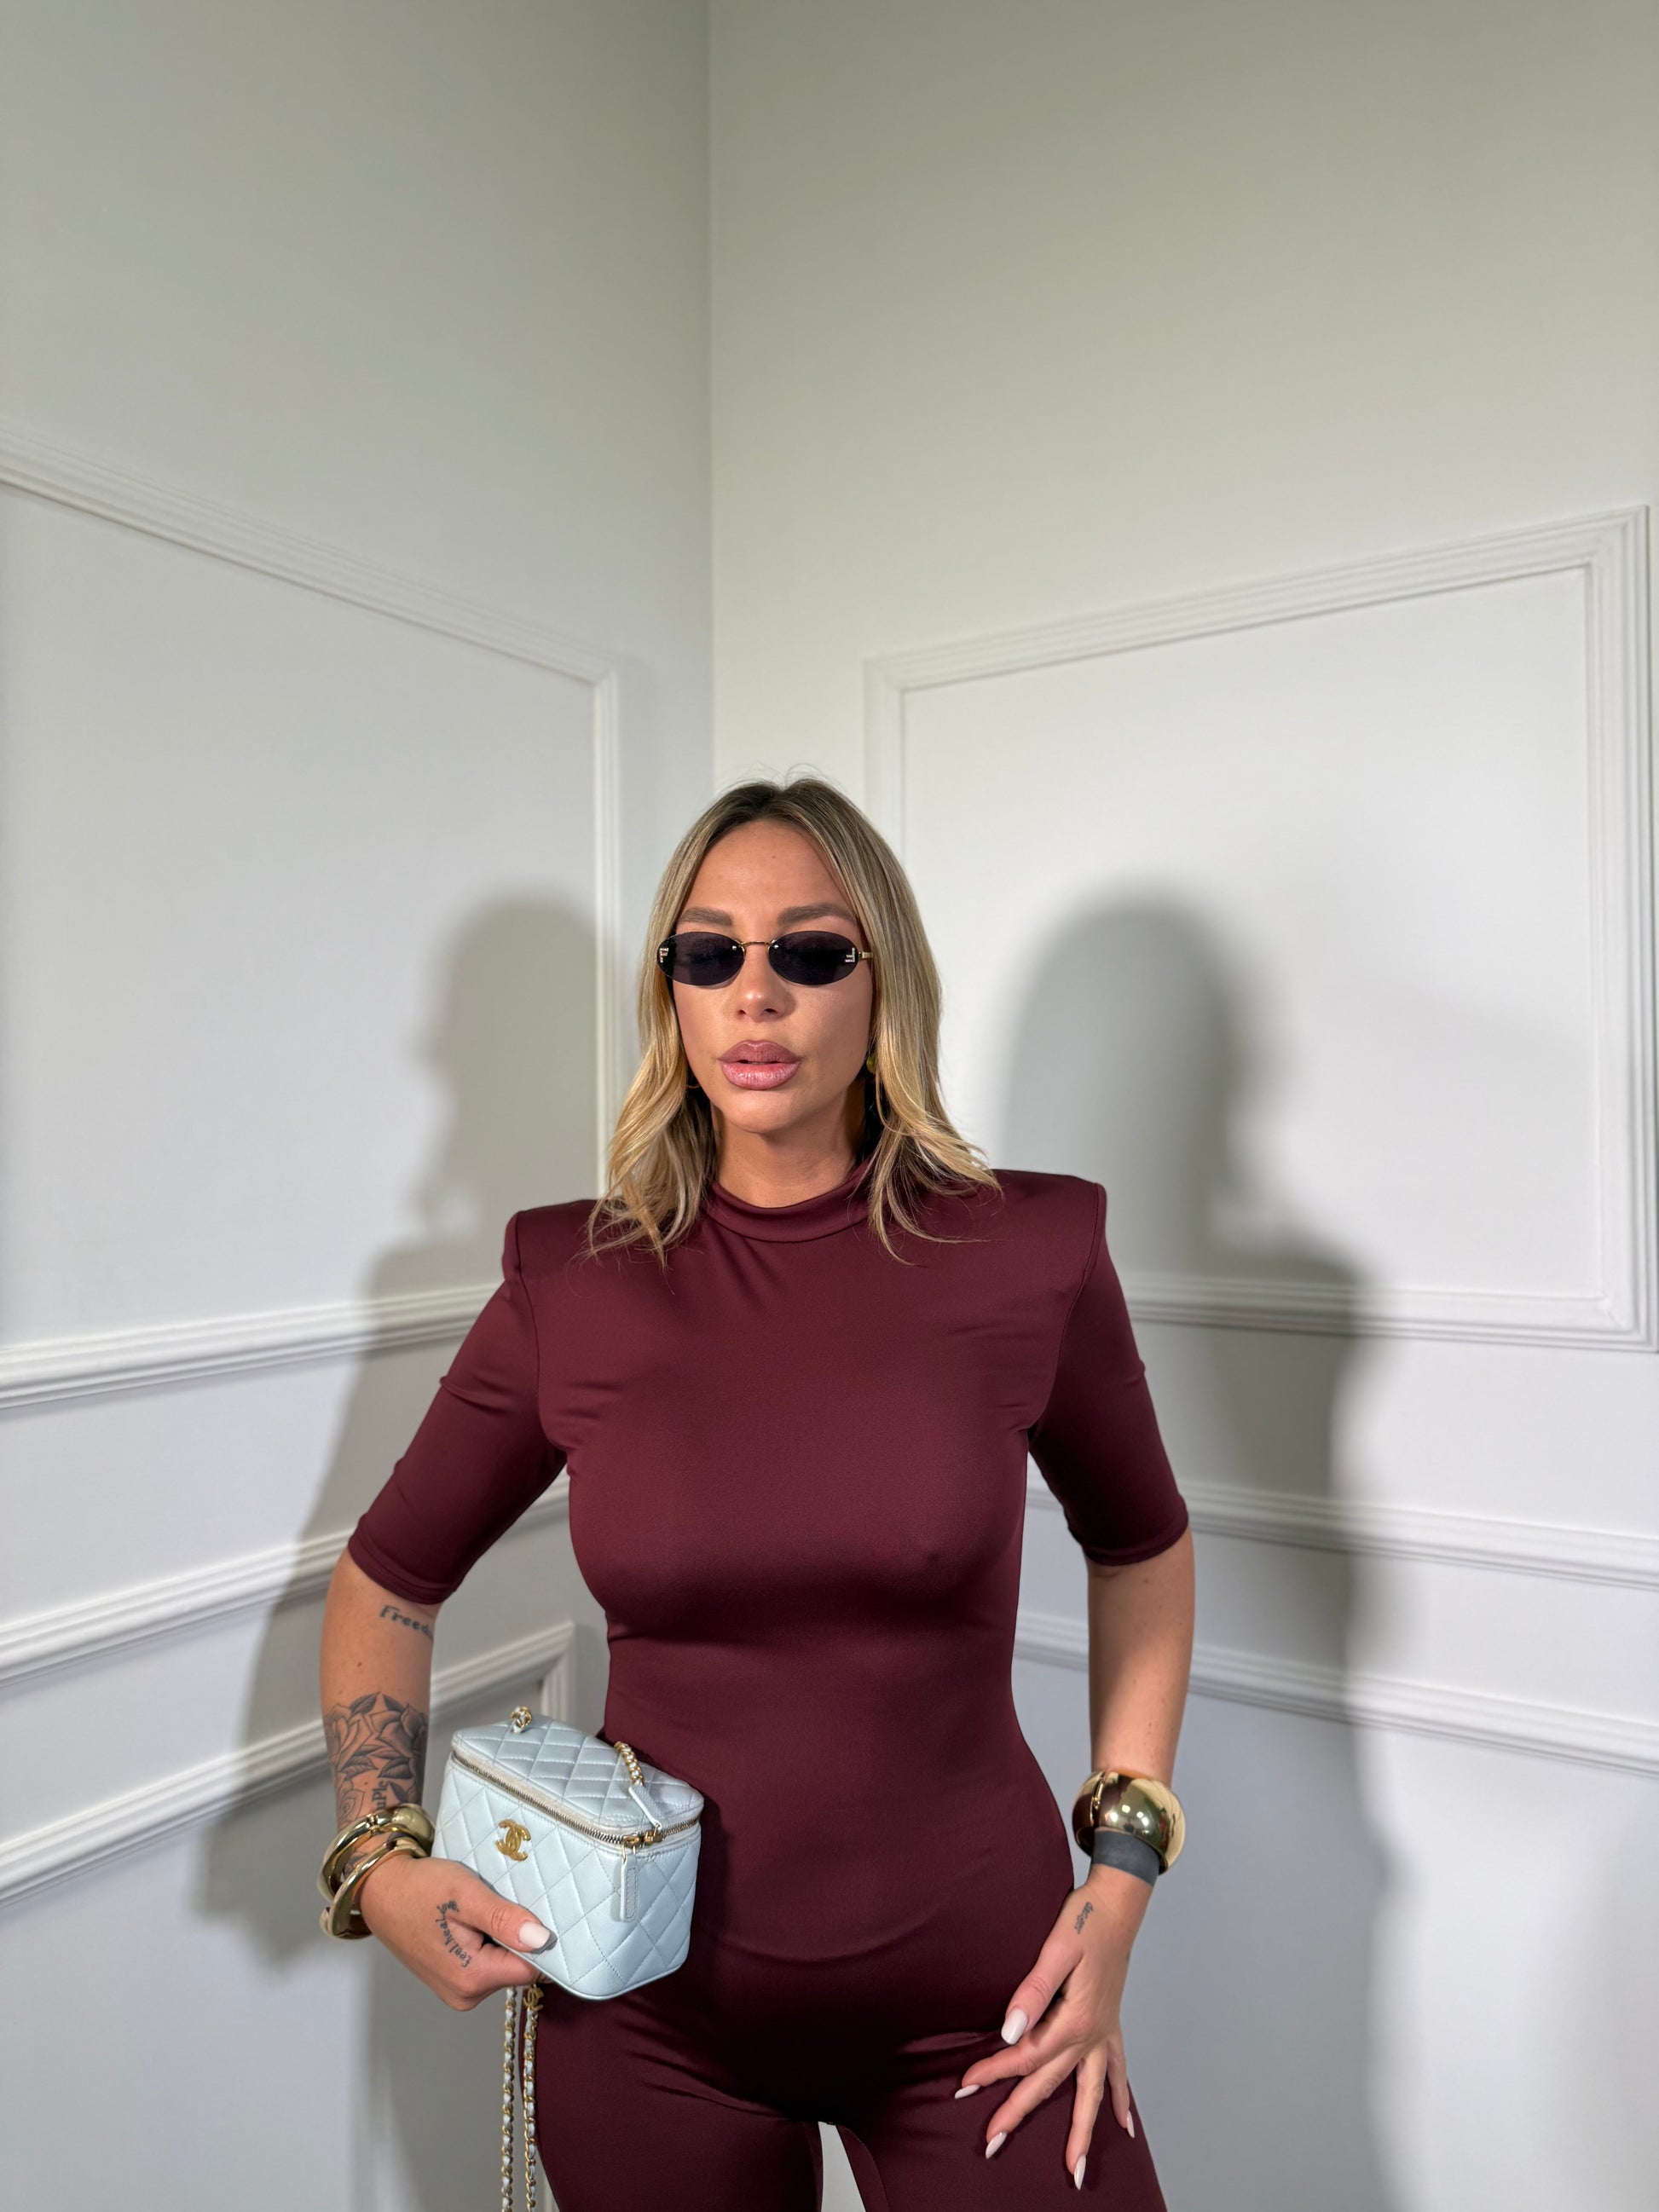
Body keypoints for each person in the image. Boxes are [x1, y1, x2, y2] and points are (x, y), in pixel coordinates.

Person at [317, 775, 1195, 2209]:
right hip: (646, 2014)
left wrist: (1122, 1869)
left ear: (882, 981)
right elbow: (388, 1582)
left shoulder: (1026, 1254)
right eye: (708, 953)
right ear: (669, 990)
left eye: (809, 951)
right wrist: (376, 1854)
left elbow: (1141, 1544)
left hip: (988, 2002)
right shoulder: (570, 1281)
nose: (754, 993)